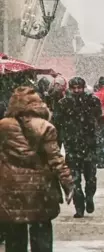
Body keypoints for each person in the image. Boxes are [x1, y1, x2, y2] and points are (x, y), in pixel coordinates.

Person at [0, 87, 74, 252]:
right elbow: (55, 159)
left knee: (14, 233)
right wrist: (67, 182)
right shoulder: (45, 127)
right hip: (40, 186)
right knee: (41, 231)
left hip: (11, 187)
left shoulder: (3, 126)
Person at [52, 77, 104, 218]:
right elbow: (57, 125)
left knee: (91, 178)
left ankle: (89, 197)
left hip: (89, 146)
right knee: (74, 180)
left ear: (83, 88)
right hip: (72, 146)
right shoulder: (63, 104)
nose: (76, 91)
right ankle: (79, 207)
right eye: (74, 88)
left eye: (79, 88)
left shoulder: (92, 101)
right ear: (70, 88)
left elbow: (100, 120)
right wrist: (56, 144)